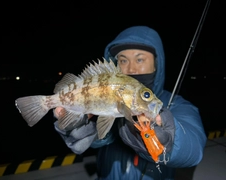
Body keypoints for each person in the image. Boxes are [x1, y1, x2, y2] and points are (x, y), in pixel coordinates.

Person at [53, 26, 207, 180]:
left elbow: (194, 149)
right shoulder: (114, 97)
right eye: (123, 60)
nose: (131, 68)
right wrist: (87, 132)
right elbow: (99, 134)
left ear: (156, 64)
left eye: (139, 59)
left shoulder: (178, 105)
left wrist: (172, 142)